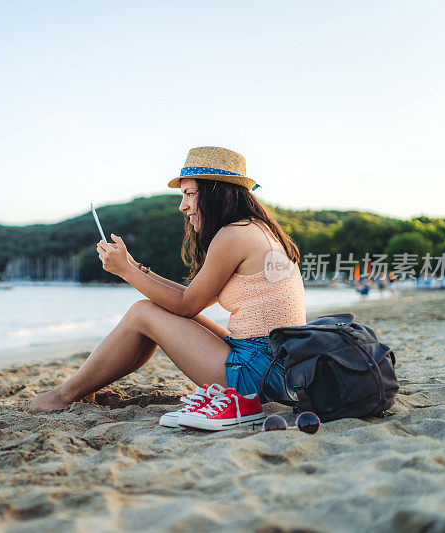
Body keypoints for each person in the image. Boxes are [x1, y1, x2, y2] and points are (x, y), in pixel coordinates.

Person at [29, 147, 307, 422]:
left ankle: (63, 396)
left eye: (189, 194)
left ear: (215, 192)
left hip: (258, 373)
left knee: (143, 312)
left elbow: (186, 306)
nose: (182, 206)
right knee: (152, 309)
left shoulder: (232, 236)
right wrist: (135, 266)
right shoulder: (254, 229)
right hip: (278, 363)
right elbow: (190, 297)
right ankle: (82, 388)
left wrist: (126, 272)